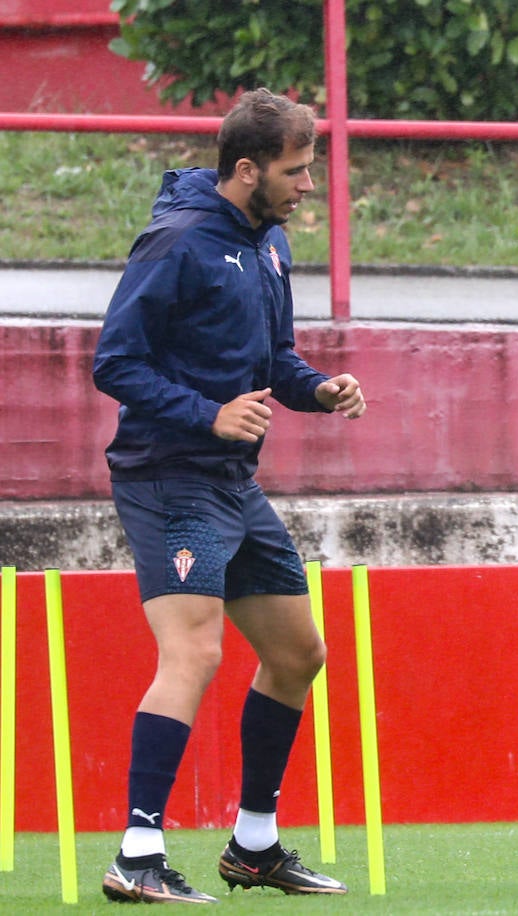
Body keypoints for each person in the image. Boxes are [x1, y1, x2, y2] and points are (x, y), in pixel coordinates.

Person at [92, 88, 364, 903]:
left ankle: (254, 846)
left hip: (229, 481)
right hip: (166, 475)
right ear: (246, 169)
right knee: (196, 653)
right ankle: (136, 857)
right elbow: (115, 364)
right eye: (295, 170)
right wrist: (208, 415)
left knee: (296, 655)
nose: (307, 185)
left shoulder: (270, 242)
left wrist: (320, 390)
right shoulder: (176, 243)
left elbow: (276, 359)